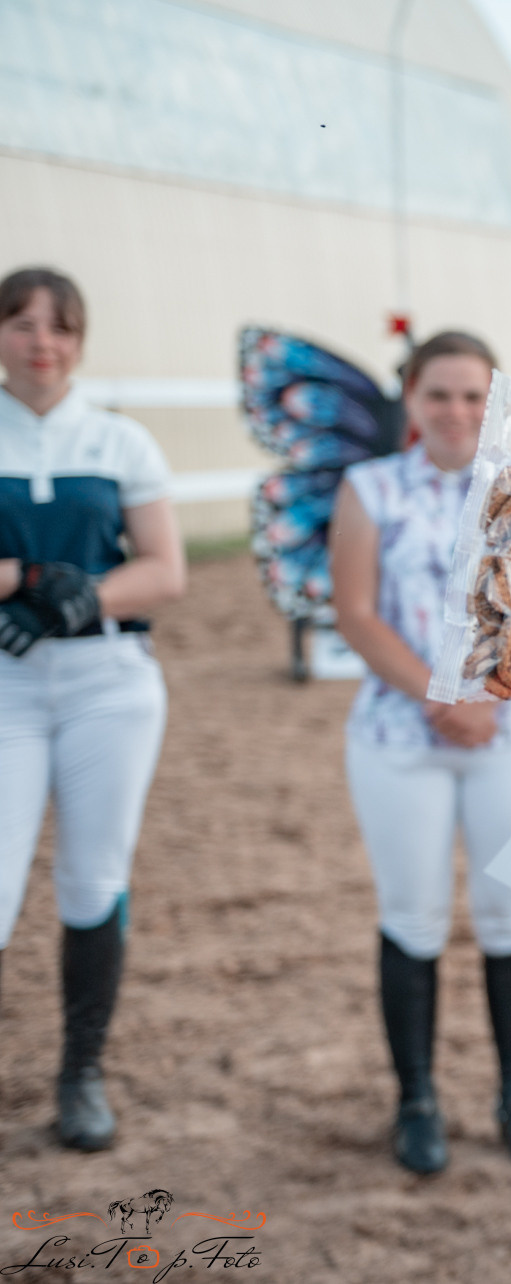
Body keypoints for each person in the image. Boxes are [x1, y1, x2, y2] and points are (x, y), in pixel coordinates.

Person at [328, 330, 511, 1174]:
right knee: (414, 918)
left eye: (473, 396)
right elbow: (356, 612)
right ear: (412, 398)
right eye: (439, 395)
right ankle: (417, 1099)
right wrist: (438, 694)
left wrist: (488, 697)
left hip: (509, 734)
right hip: (403, 738)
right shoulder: (372, 488)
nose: (456, 412)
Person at [0, 265, 187, 1151]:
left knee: (92, 878)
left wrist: (87, 596)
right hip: (7, 685)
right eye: (23, 323)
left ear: (79, 341)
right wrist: (29, 578)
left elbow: (164, 570)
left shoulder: (120, 443)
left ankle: (80, 1072)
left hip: (106, 685)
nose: (43, 341)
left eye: (60, 327)